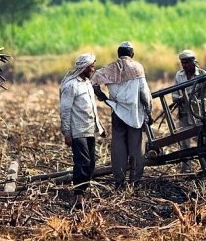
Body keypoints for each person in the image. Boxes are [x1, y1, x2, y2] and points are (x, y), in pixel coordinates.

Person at [92, 42, 152, 189]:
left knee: (118, 147)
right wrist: (149, 111)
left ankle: (119, 182)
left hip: (117, 112)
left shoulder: (110, 68)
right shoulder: (137, 67)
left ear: (119, 54)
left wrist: (103, 97)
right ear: (132, 54)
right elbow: (144, 94)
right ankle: (135, 181)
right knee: (137, 148)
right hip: (135, 113)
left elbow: (93, 82)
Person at [59, 53, 105, 209]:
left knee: (91, 162)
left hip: (89, 129)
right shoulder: (71, 85)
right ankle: (78, 195)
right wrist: (67, 133)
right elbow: (65, 111)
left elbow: (92, 109)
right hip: (77, 130)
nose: (93, 68)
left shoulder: (87, 83)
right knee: (82, 162)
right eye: (92, 66)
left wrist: (100, 127)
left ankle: (82, 191)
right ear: (84, 67)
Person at [172, 49, 206, 173]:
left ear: (194, 62)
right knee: (184, 143)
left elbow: (205, 95)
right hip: (184, 113)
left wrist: (190, 98)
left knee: (204, 141)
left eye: (187, 62)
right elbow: (174, 96)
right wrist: (180, 99)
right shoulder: (179, 75)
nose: (185, 65)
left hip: (199, 114)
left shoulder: (203, 75)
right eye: (183, 63)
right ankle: (186, 169)